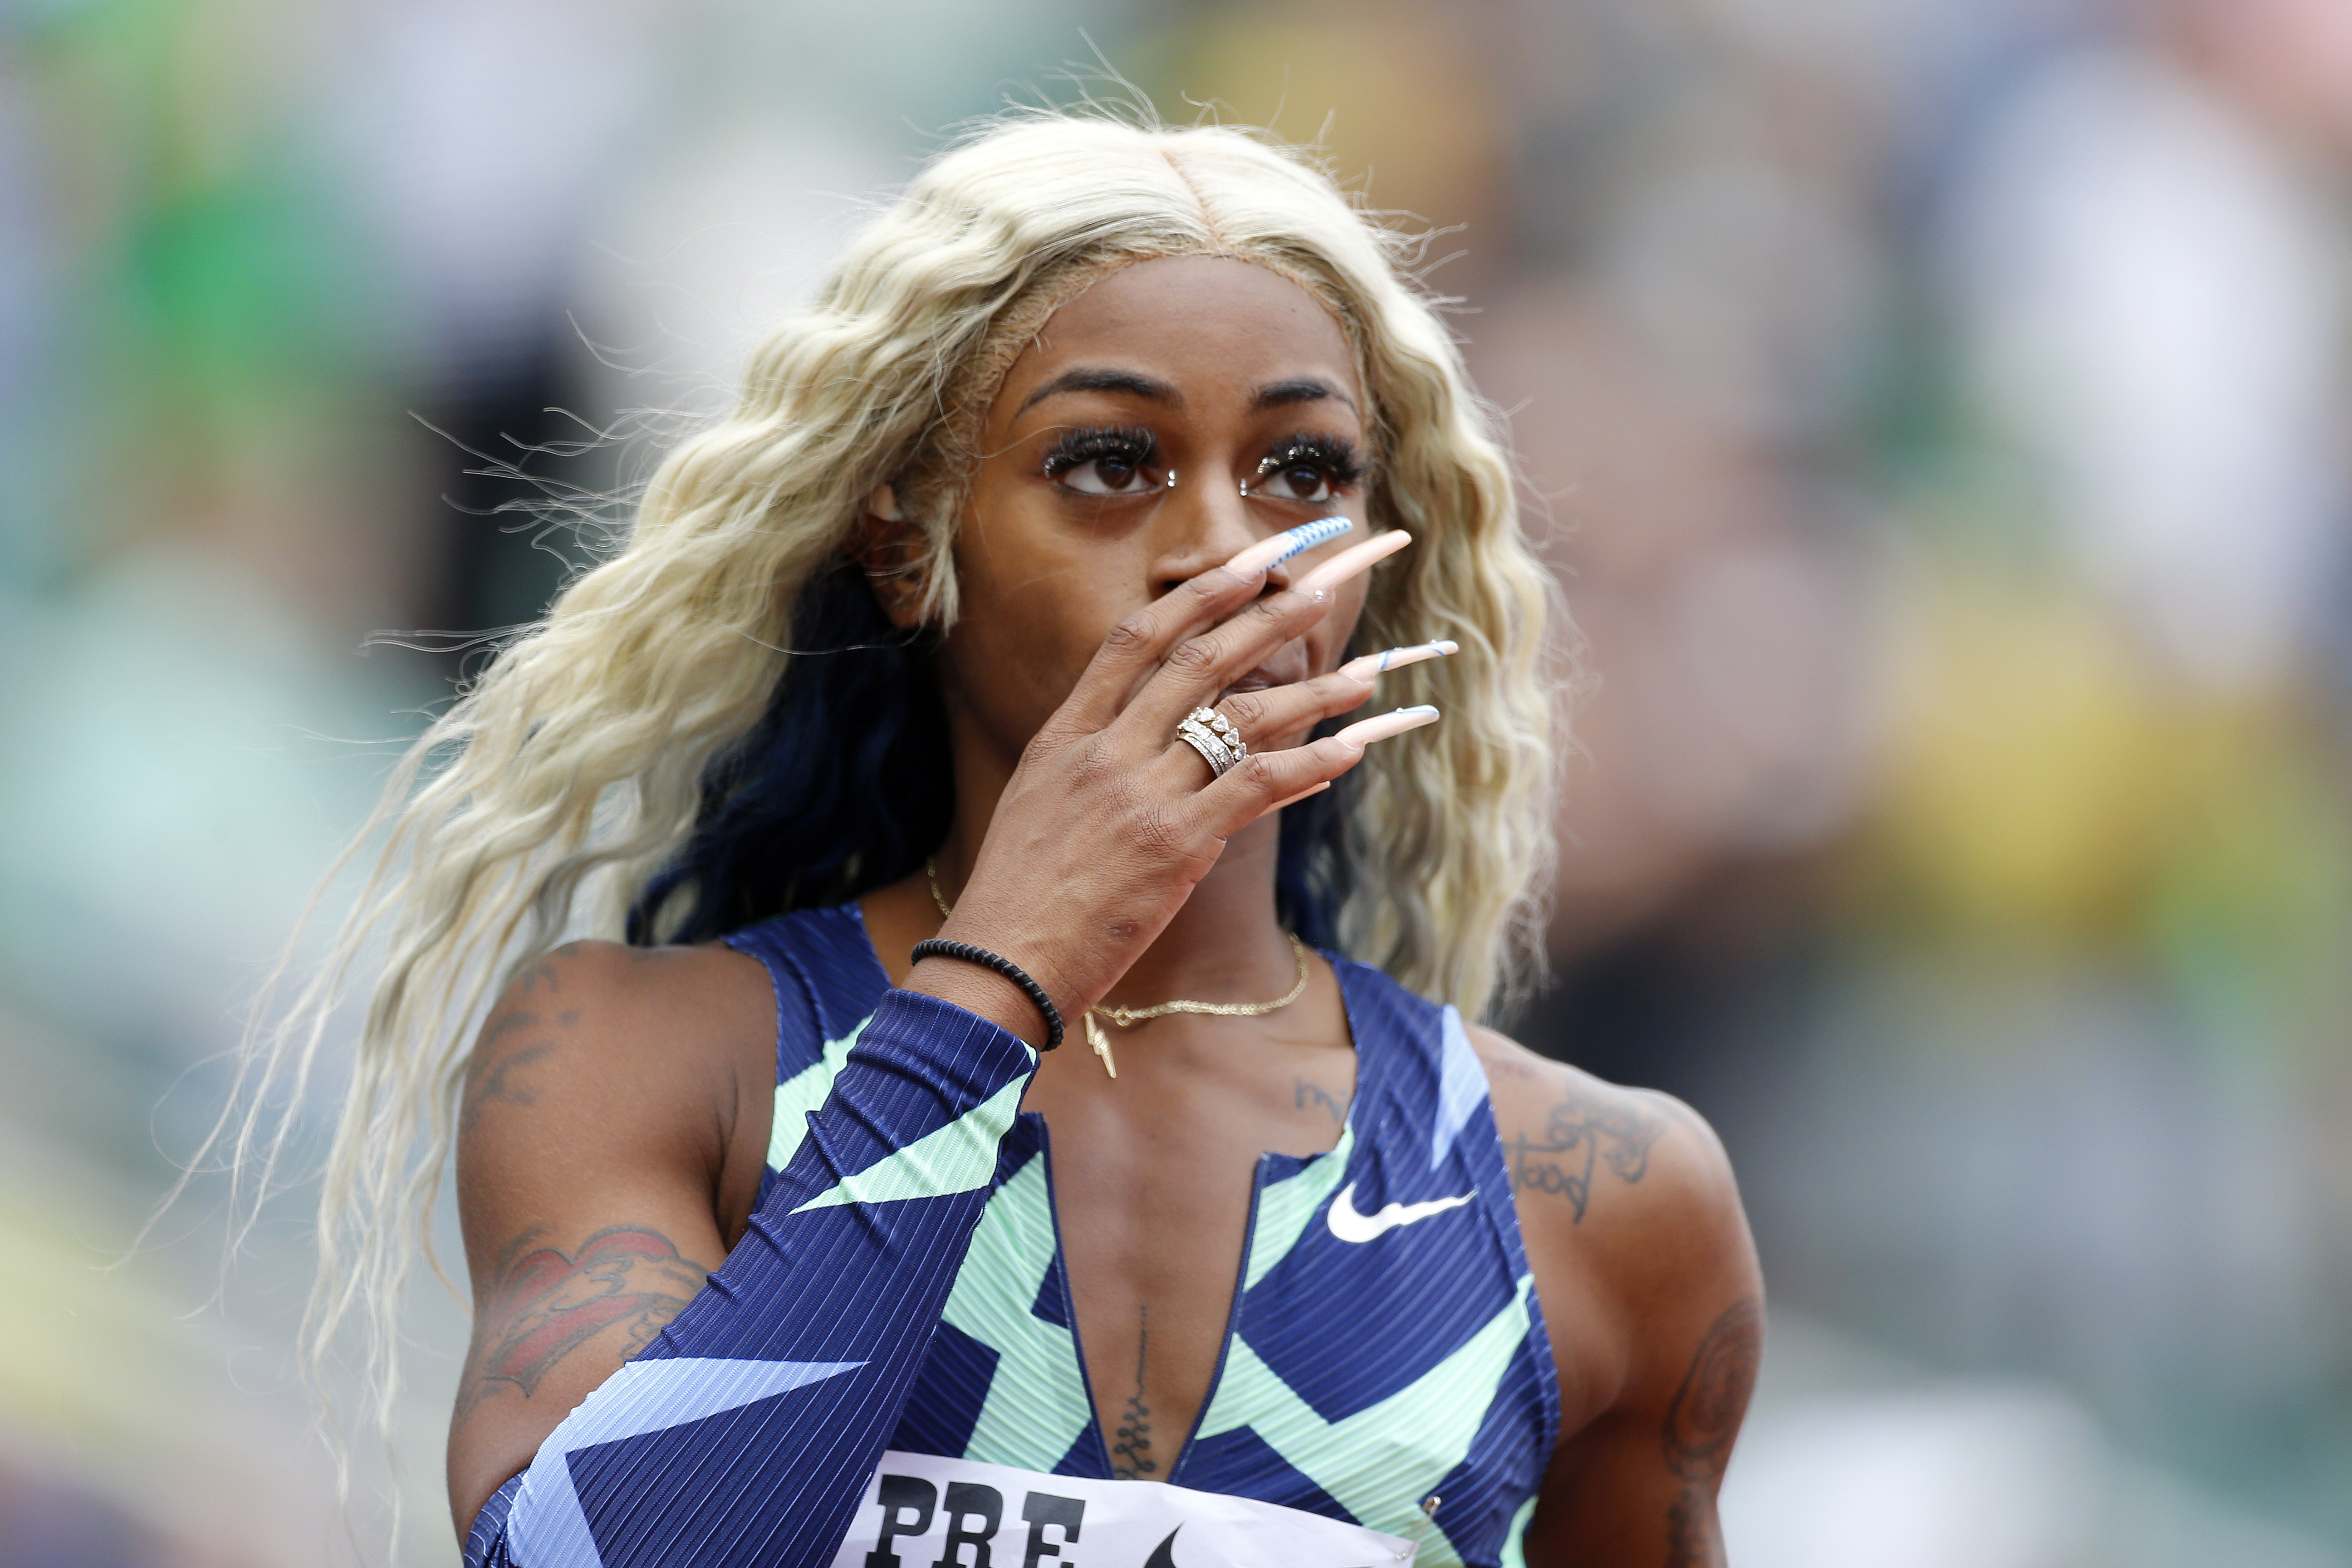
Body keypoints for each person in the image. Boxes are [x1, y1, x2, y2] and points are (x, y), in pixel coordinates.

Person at [299, 110, 1759, 1568]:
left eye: (1303, 472)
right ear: (905, 542)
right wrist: (1001, 972)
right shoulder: (654, 1061)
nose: (1220, 550)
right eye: (1110, 461)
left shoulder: (1600, 1199)